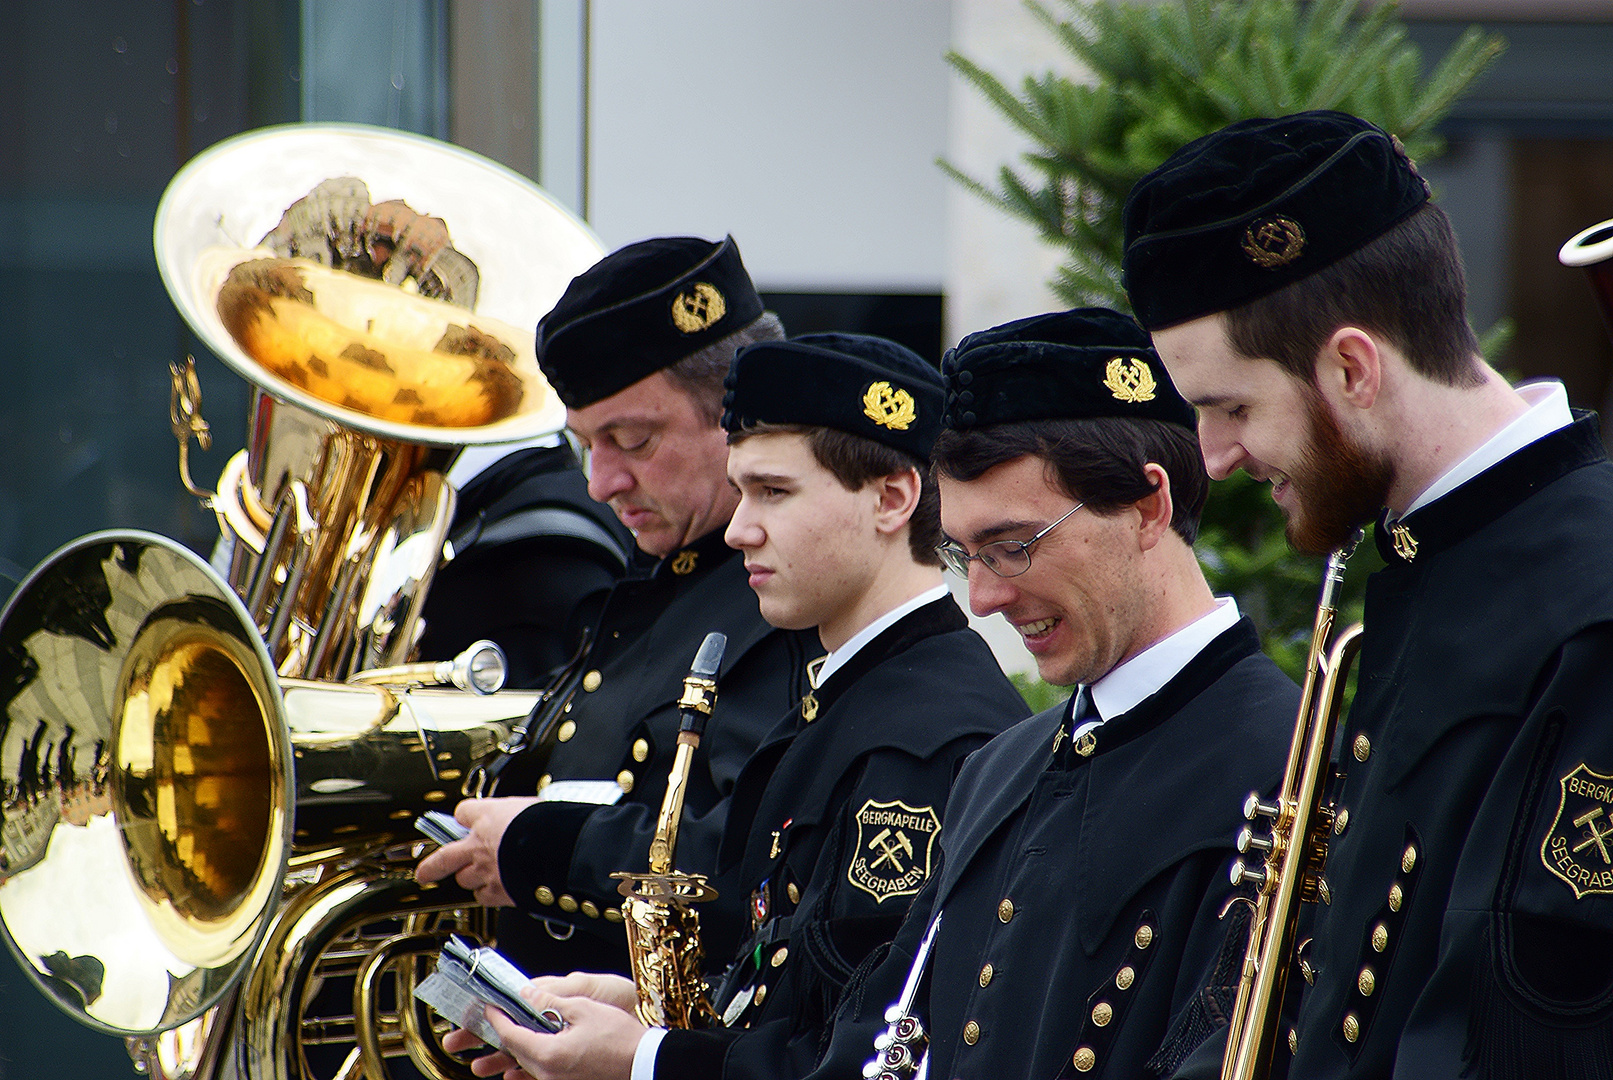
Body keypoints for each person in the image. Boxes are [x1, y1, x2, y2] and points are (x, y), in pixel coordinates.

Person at [467, 309, 1297, 1080]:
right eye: (968, 555)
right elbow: (872, 1044)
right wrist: (661, 1026)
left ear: (1148, 506)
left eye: (1012, 546)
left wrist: (649, 1060)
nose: (983, 600)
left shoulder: (1285, 760)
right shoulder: (1006, 769)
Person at [1124, 110, 1613, 1078]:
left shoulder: (1585, 599)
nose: (1211, 459)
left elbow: (1524, 1032)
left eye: (1230, 407)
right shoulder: (1422, 562)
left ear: (1351, 366)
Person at [447, 330, 1029, 1080]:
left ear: (892, 498)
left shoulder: (926, 738)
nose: (738, 527)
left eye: (773, 492)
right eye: (740, 487)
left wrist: (644, 1060)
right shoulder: (851, 696)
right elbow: (794, 997)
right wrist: (642, 1012)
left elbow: (867, 1058)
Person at [417, 236, 816, 980]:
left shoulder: (790, 600)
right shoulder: (655, 580)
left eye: (631, 439)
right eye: (584, 447)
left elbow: (753, 872)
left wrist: (542, 851)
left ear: (740, 413)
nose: (600, 483)